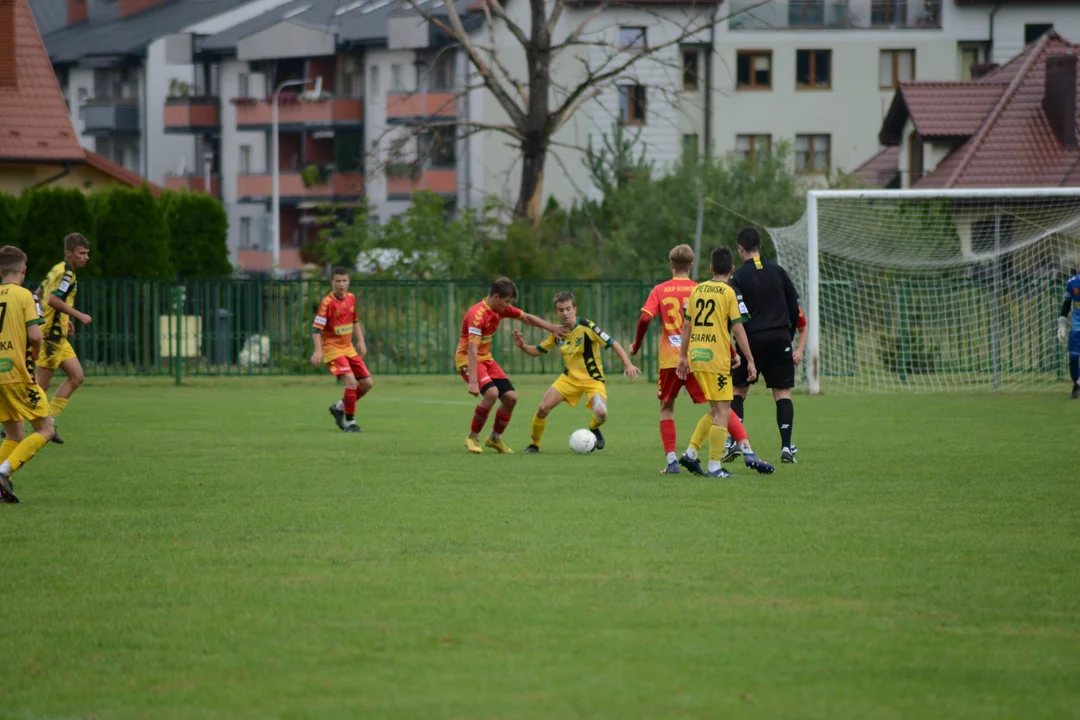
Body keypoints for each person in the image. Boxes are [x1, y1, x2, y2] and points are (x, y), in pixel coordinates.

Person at [630, 244, 770, 475]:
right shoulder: (704, 288)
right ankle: (741, 451)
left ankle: (674, 460)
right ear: (692, 265)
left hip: (674, 358)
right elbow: (728, 328)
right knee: (720, 406)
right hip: (706, 356)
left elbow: (646, 319)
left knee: (667, 409)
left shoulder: (666, 290)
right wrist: (739, 356)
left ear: (671, 265)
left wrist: (637, 345)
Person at [679, 256, 775, 476]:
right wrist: (750, 359)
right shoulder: (729, 292)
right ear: (732, 269)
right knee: (723, 410)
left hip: (697, 355)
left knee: (716, 409)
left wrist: (682, 357)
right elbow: (738, 329)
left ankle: (691, 453)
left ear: (711, 268)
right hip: (716, 359)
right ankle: (714, 466)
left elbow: (686, 325)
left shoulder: (698, 289)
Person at [513, 292, 640, 453]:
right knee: (542, 409)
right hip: (569, 379)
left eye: (568, 309)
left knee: (601, 412)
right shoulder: (557, 332)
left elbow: (613, 343)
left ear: (574, 308)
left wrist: (628, 364)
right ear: (557, 312)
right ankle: (534, 445)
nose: (565, 313)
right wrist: (522, 346)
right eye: (561, 310)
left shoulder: (587, 327)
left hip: (593, 379)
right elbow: (537, 351)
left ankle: (594, 427)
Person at [456, 277, 566, 454]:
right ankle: (472, 437)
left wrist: (552, 328)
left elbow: (527, 318)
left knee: (511, 397)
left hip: (486, 359)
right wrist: (473, 382)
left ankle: (495, 438)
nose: (508, 306)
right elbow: (472, 350)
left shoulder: (500, 309)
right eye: (506, 302)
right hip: (468, 359)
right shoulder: (477, 315)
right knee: (492, 393)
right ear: (496, 297)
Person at [729, 227, 801, 464]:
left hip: (751, 340)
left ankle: (736, 443)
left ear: (741, 249)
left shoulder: (738, 277)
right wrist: (788, 336)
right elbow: (794, 309)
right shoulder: (778, 271)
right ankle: (787, 447)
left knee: (739, 391)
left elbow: (735, 315)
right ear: (758, 246)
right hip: (780, 338)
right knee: (782, 393)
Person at [0, 246, 57, 503]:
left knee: (14, 435)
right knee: (46, 428)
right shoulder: (25, 296)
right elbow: (35, 335)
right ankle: (3, 473)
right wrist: (35, 353)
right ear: (23, 270)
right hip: (16, 372)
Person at [34, 232, 93, 445]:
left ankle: (49, 420)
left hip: (57, 332)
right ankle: (15, 424)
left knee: (77, 376)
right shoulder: (67, 273)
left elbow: (38, 294)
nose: (86, 257)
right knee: (41, 384)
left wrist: (63, 318)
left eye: (87, 253)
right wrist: (79, 315)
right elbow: (51, 299)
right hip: (51, 335)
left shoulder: (56, 269)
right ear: (69, 253)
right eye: (81, 253)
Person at [310, 267, 372, 432]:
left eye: (344, 281)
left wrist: (361, 341)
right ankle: (351, 423)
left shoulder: (351, 298)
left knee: (367, 384)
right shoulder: (327, 303)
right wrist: (318, 351)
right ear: (332, 282)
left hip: (348, 348)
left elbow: (355, 320)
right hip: (333, 349)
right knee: (351, 382)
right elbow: (316, 329)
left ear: (348, 282)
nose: (341, 284)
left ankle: (338, 407)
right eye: (338, 281)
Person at [1060, 255, 1080, 400]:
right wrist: (1061, 324)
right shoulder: (1072, 283)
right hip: (1076, 329)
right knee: (1073, 359)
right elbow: (1066, 305)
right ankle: (1076, 384)